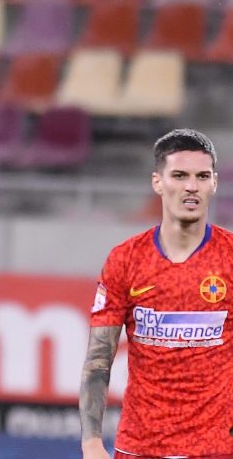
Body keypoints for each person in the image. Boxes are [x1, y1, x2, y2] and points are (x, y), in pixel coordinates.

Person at [79, 129, 233, 459]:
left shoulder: (230, 257)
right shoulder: (126, 259)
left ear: (214, 184)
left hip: (216, 449)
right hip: (140, 447)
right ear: (157, 182)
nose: (191, 186)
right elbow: (98, 360)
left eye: (202, 176)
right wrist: (91, 443)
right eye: (179, 175)